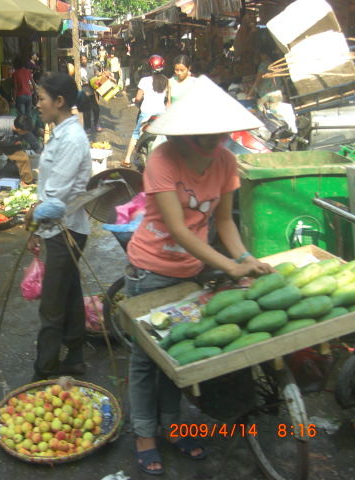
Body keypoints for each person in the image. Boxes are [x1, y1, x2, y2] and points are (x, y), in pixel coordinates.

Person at [125, 77, 275, 475]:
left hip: (189, 273)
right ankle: (144, 434)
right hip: (149, 271)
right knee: (146, 361)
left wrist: (245, 257)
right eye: (204, 135)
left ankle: (173, 428)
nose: (213, 141)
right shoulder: (162, 160)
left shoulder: (225, 161)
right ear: (184, 133)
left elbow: (224, 221)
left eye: (219, 134)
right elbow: (178, 229)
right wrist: (230, 266)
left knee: (176, 357)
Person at [27, 72, 92, 382]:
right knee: (69, 293)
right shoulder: (62, 133)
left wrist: (33, 217)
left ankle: (44, 371)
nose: (38, 104)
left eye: (42, 99)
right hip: (59, 228)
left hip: (65, 230)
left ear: (60, 101)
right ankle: (75, 357)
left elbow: (55, 197)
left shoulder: (71, 139)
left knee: (52, 306)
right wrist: (37, 227)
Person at [122, 55, 170, 168]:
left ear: (149, 67)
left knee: (136, 134)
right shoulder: (167, 81)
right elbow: (168, 101)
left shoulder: (144, 80)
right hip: (161, 114)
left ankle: (127, 159)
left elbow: (138, 98)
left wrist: (135, 100)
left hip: (146, 113)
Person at [78, 55, 102, 133]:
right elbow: (76, 79)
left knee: (96, 109)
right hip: (84, 91)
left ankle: (96, 123)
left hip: (93, 91)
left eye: (84, 59)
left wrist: (99, 75)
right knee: (86, 110)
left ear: (87, 59)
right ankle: (87, 126)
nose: (83, 61)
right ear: (80, 60)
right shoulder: (78, 69)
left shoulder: (91, 66)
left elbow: (97, 72)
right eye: (82, 59)